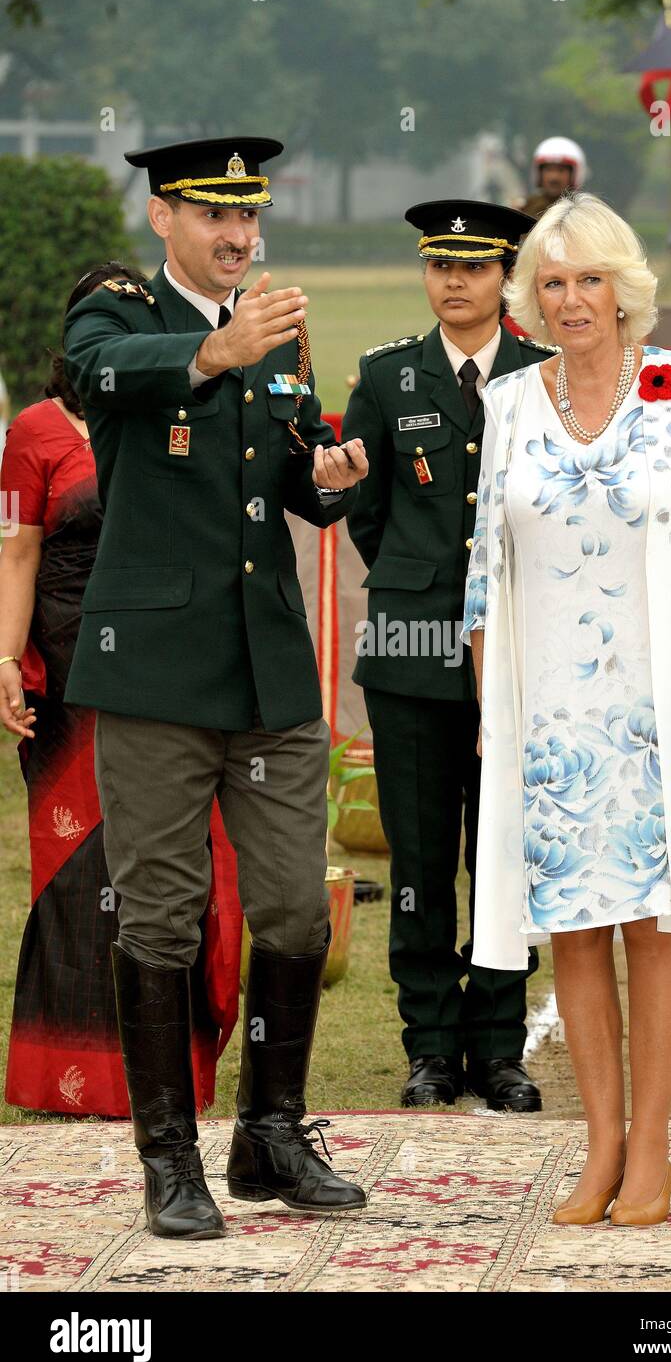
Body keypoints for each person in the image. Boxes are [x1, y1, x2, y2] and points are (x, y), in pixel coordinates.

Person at [61, 137, 369, 1239]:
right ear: (162, 216)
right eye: (214, 218)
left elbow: (290, 462)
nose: (239, 238)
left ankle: (270, 1135)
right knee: (161, 913)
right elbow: (104, 375)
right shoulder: (117, 315)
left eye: (251, 220)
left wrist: (329, 478)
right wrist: (211, 349)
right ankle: (167, 1158)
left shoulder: (276, 329)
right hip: (156, 671)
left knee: (292, 903)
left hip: (268, 665)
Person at [463, 193, 671, 1226]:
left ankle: (653, 1151)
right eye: (551, 282)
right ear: (532, 301)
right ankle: (597, 1147)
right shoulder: (504, 403)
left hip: (661, 705)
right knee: (575, 929)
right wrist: (490, 720)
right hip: (546, 713)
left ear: (623, 290)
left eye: (589, 278)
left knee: (653, 920)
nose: (571, 298)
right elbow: (479, 580)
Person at [1, 261, 244, 1118]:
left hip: (165, 660)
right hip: (67, 677)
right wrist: (4, 661)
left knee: (170, 872)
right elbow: (19, 549)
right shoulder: (32, 430)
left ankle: (165, 1077)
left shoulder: (168, 405)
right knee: (75, 871)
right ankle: (69, 1076)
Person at [343, 200, 551, 1110]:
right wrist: (419, 585)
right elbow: (366, 507)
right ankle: (429, 1045)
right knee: (421, 860)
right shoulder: (387, 376)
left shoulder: (545, 376)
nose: (455, 282)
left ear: (506, 276)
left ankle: (499, 1047)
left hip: (523, 651)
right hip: (412, 647)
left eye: (474, 267)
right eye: (440, 266)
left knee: (506, 853)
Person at [519, 136, 588, 221]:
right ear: (539, 173)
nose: (554, 177)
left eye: (561, 170)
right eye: (549, 170)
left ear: (574, 174)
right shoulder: (523, 209)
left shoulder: (585, 212)